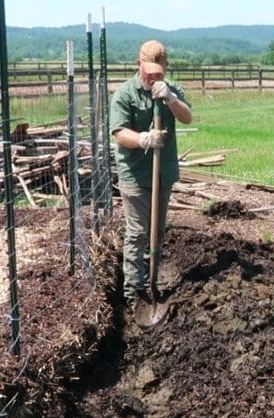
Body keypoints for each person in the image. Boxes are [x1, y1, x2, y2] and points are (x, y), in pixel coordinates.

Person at [109, 40, 193, 304]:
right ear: (138, 64)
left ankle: (152, 278)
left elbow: (187, 117)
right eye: (149, 71)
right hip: (135, 175)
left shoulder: (172, 90)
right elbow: (120, 133)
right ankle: (134, 292)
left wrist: (171, 99)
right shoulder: (125, 94)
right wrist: (144, 139)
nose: (154, 76)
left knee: (156, 232)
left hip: (162, 173)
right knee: (137, 232)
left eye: (160, 71)